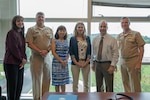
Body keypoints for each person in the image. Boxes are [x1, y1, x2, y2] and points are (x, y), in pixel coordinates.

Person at [26, 12, 53, 100]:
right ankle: (36, 98)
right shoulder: (31, 29)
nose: (40, 18)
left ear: (44, 19)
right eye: (39, 17)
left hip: (47, 58)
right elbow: (29, 43)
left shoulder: (49, 30)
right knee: (36, 79)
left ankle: (45, 97)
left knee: (47, 78)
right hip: (36, 57)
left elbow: (52, 43)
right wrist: (40, 51)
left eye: (42, 17)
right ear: (36, 19)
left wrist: (47, 51)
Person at [117, 17, 145, 92]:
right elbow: (118, 49)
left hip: (133, 61)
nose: (124, 24)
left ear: (129, 23)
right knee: (125, 83)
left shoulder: (136, 34)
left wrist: (139, 63)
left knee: (135, 84)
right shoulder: (119, 36)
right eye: (122, 23)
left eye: (126, 22)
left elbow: (141, 49)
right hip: (122, 62)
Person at [3, 15, 27, 100]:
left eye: (22, 21)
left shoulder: (20, 34)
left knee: (19, 87)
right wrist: (22, 59)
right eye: (18, 21)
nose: (20, 23)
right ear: (14, 23)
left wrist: (24, 60)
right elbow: (13, 48)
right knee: (12, 87)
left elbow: (23, 49)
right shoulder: (11, 33)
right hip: (11, 63)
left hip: (19, 64)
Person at [92, 20, 119, 92]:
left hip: (107, 64)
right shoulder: (95, 39)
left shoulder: (112, 39)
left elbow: (116, 53)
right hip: (97, 64)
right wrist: (93, 63)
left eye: (104, 26)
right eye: (101, 26)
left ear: (107, 28)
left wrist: (112, 65)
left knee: (109, 85)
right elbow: (93, 53)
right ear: (98, 28)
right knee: (99, 85)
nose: (102, 28)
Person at [69, 21, 91, 92]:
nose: (80, 29)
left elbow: (89, 51)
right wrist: (77, 62)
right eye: (79, 27)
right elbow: (71, 51)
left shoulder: (87, 38)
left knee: (86, 84)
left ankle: (86, 98)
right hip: (75, 63)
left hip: (86, 63)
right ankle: (75, 97)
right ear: (76, 28)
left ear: (84, 29)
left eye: (82, 27)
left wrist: (86, 62)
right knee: (75, 84)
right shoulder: (72, 39)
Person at [51, 25, 70, 92]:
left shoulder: (66, 41)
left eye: (63, 31)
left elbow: (68, 52)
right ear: (57, 32)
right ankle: (57, 96)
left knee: (63, 82)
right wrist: (61, 61)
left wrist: (66, 60)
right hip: (57, 64)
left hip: (65, 63)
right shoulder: (54, 41)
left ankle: (63, 96)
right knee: (57, 83)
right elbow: (53, 52)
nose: (62, 32)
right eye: (60, 30)